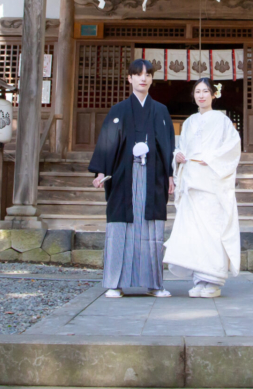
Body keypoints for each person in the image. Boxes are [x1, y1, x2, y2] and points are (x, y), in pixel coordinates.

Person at [89, 58, 176, 298]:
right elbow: (107, 143)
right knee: (120, 227)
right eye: (138, 74)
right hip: (124, 175)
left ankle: (154, 284)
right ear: (129, 78)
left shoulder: (160, 110)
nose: (143, 78)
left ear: (151, 79)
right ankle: (115, 283)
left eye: (148, 74)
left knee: (152, 229)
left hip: (153, 175)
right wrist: (100, 172)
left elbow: (168, 144)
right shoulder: (118, 110)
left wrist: (169, 174)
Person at [163, 77, 242, 298]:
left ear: (213, 95)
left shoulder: (222, 120)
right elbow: (182, 149)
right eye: (197, 91)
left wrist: (212, 158)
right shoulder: (188, 123)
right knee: (195, 232)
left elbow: (232, 148)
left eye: (205, 91)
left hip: (212, 183)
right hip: (191, 183)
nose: (201, 95)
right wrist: (177, 157)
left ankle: (214, 280)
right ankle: (199, 279)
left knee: (212, 231)